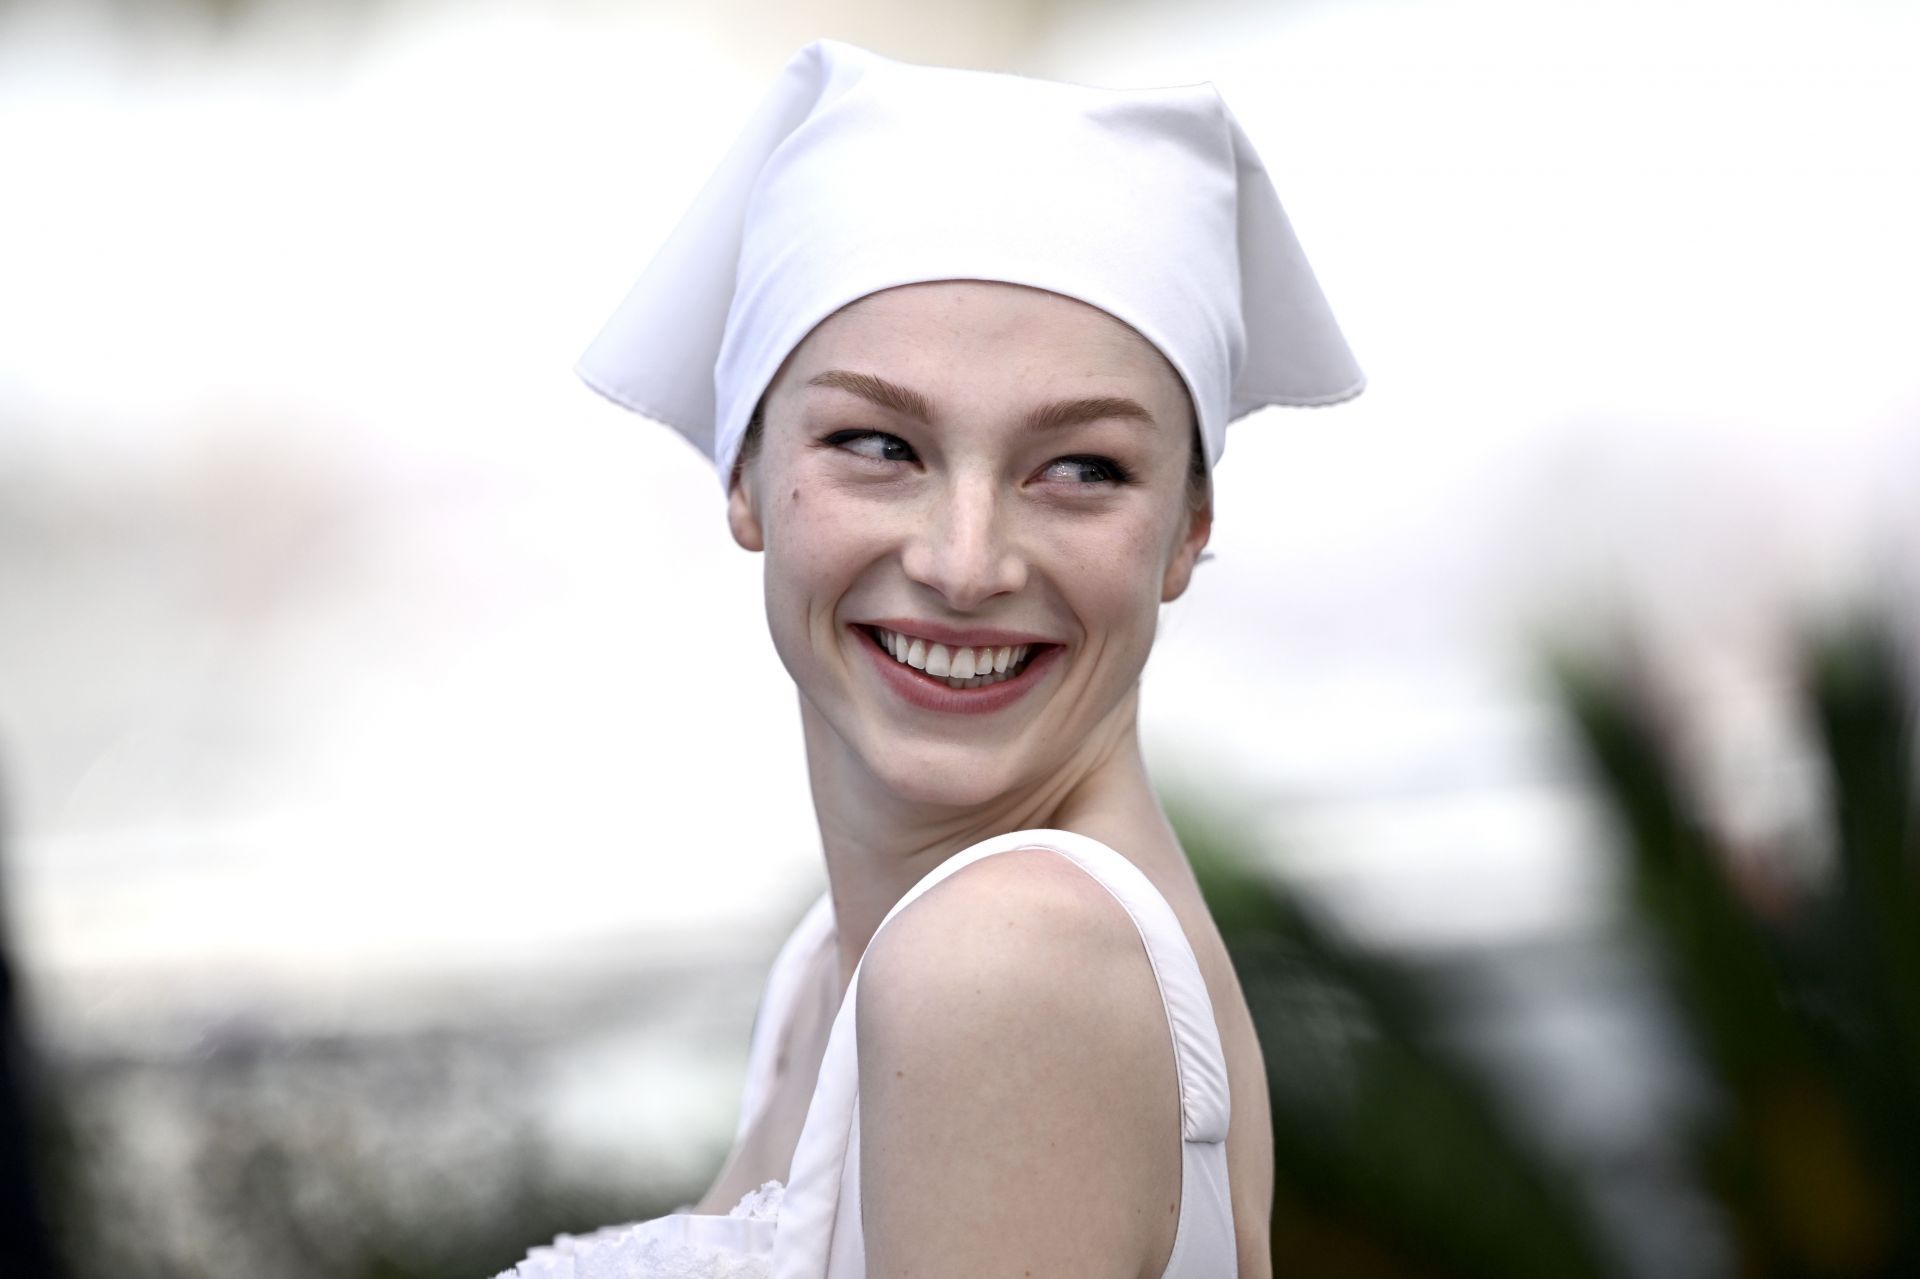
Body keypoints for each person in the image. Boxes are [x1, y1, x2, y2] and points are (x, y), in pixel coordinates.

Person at [497, 38, 1362, 1279]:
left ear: (1189, 528)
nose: (966, 564)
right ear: (745, 473)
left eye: (1082, 468)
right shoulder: (840, 966)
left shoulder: (1001, 959)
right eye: (879, 444)